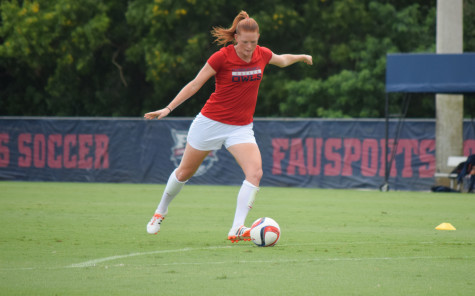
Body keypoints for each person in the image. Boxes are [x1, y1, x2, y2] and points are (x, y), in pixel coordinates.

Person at [144, 10, 313, 242]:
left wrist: (301, 56)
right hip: (210, 123)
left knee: (255, 172)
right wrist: (168, 108)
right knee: (185, 172)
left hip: (241, 128)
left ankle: (236, 228)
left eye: (253, 42)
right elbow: (195, 85)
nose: (249, 47)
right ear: (236, 38)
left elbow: (282, 59)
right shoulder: (221, 57)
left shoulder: (261, 54)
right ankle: (159, 212)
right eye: (244, 42)